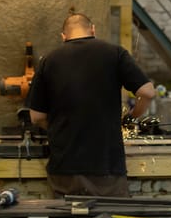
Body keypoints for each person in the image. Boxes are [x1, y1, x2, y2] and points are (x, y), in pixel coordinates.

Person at [28, 10, 155, 198]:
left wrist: (58, 128)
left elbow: (36, 117)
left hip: (64, 168)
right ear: (93, 30)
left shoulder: (49, 60)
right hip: (107, 168)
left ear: (63, 36)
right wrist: (131, 117)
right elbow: (147, 92)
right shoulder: (115, 53)